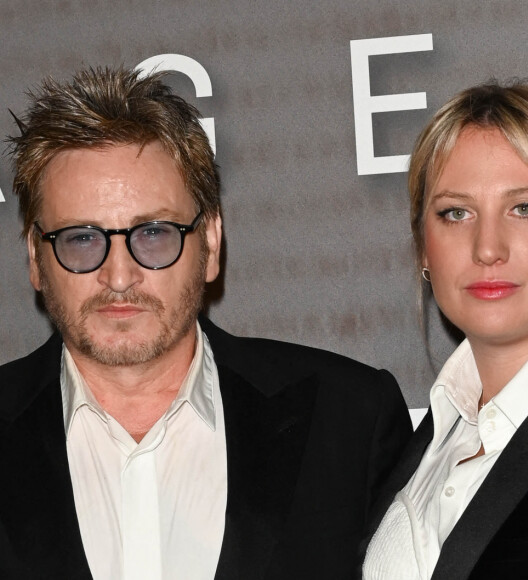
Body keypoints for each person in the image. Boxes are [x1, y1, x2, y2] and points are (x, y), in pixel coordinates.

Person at [1, 66, 412, 580]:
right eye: (81, 239)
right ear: (36, 261)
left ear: (211, 243)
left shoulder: (349, 420)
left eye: (153, 234)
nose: (119, 275)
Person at [361, 81, 528, 580]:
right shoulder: (426, 442)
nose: (487, 248)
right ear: (423, 247)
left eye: (525, 207)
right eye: (455, 213)